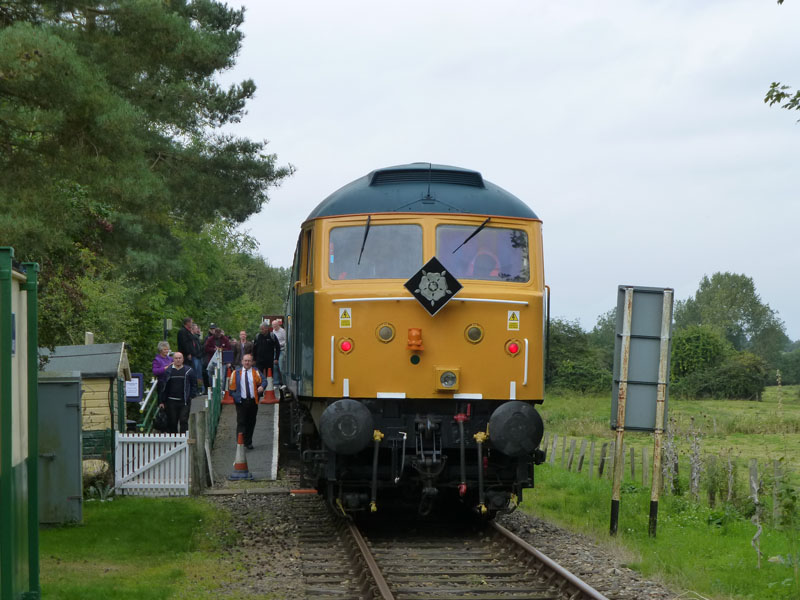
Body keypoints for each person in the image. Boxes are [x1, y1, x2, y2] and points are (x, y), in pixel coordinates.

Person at [228, 353, 263, 449]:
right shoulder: (236, 373)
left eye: (249, 361)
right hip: (241, 402)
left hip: (253, 401)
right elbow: (231, 389)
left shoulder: (256, 371)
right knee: (241, 421)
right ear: (242, 362)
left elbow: (264, 381)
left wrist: (262, 387)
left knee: (251, 422)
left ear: (252, 362)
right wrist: (236, 397)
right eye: (245, 360)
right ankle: (240, 442)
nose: (247, 362)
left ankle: (248, 442)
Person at [157, 351, 196, 434]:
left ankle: (183, 440)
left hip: (184, 401)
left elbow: (194, 384)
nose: (178, 360)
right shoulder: (168, 371)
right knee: (172, 422)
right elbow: (163, 387)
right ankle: (174, 442)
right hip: (171, 401)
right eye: (176, 358)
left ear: (183, 359)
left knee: (184, 420)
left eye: (180, 358)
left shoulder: (189, 371)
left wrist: (191, 395)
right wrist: (161, 401)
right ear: (173, 359)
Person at [271, 319, 287, 391]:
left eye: (275, 325)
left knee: (281, 367)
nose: (274, 326)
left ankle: (283, 383)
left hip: (281, 350)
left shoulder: (283, 331)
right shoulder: (273, 332)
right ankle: (276, 383)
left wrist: (279, 344)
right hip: (274, 351)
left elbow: (286, 340)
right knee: (275, 367)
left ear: (278, 325)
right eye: (273, 325)